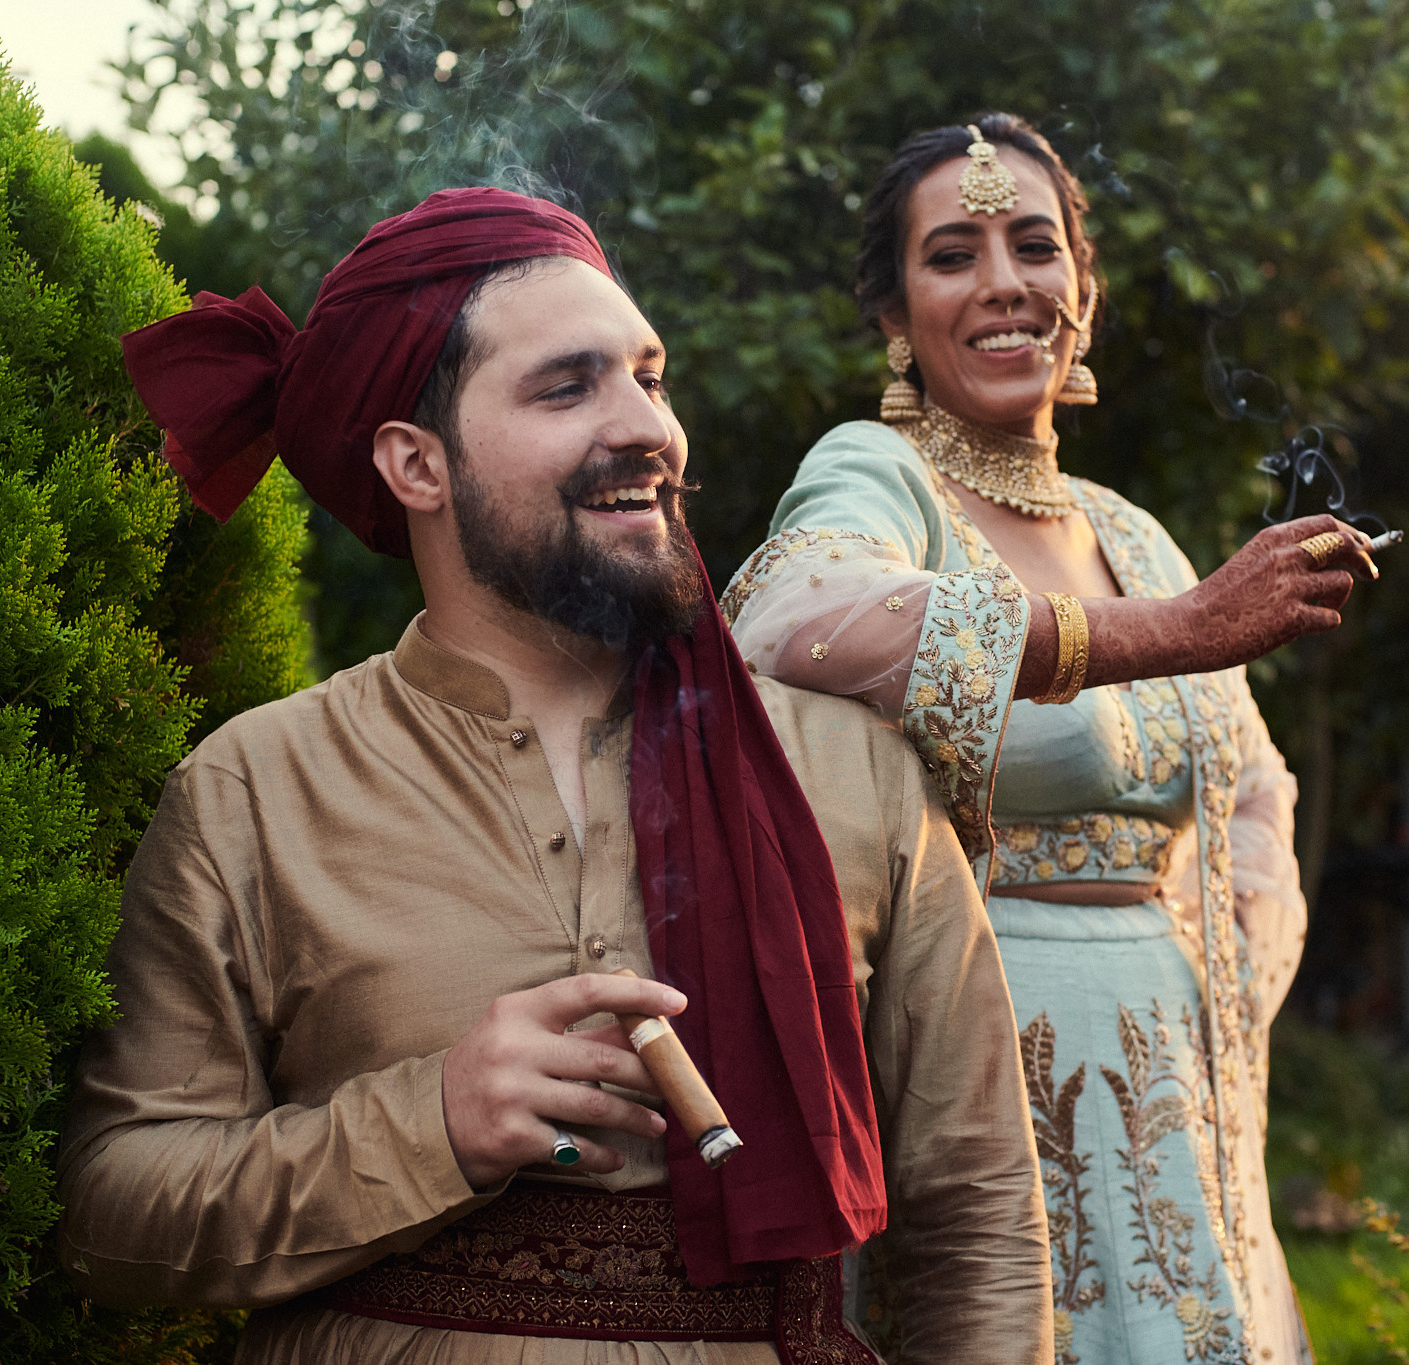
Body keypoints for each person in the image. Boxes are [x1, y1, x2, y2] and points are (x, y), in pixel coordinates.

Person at [55, 188, 1051, 1365]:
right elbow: (113, 1213)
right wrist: (434, 1123)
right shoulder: (255, 790)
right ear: (417, 465)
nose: (647, 429)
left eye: (650, 376)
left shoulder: (849, 768)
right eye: (567, 386)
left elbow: (978, 1223)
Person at [724, 115, 1376, 1365]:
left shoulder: (1127, 533)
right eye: (952, 255)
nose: (1003, 284)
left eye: (1033, 246)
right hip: (978, 1069)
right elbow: (788, 619)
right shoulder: (877, 474)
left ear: (1083, 289)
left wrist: (1220, 982)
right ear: (889, 310)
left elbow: (1250, 790)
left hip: (1190, 1107)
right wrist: (1165, 631)